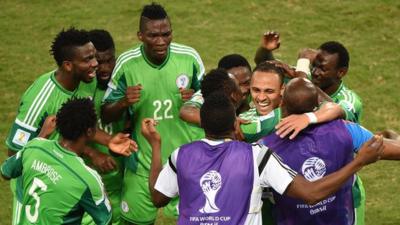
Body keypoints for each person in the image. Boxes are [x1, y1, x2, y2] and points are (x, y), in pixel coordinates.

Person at [140, 91, 383, 225]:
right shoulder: (257, 156)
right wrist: (359, 161)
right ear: (236, 123)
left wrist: (156, 145)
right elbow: (311, 194)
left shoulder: (181, 155)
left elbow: (157, 197)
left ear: (204, 125)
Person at [4, 27, 129, 225]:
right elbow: (14, 153)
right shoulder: (39, 100)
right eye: (88, 59)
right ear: (68, 65)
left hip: (66, 179)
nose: (95, 64)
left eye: (94, 57)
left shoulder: (87, 80)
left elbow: (81, 124)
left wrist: (109, 140)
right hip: (36, 186)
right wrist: (89, 151)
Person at [101, 3, 205, 224]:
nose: (161, 41)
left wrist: (196, 97)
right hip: (143, 165)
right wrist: (122, 102)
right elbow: (105, 114)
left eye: (166, 34)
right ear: (140, 35)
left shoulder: (189, 57)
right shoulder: (127, 64)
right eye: (153, 35)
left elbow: (213, 98)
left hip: (187, 163)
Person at [259, 78, 400, 225]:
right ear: (317, 106)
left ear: (282, 104)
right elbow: (391, 150)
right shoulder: (346, 130)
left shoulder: (264, 148)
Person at [1, 98, 136, 225]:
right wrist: (102, 192)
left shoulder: (34, 147)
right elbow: (106, 220)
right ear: (89, 132)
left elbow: (6, 172)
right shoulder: (87, 179)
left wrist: (42, 135)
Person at [239, 62, 343, 143]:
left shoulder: (293, 111)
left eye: (269, 91)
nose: (261, 98)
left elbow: (337, 109)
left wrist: (307, 118)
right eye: (256, 90)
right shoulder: (244, 118)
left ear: (282, 89)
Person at [87, 29, 126, 225]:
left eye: (110, 60)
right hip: (90, 183)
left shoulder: (123, 85)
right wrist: (93, 154)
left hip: (121, 182)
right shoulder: (83, 89)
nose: (105, 68)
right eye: (99, 62)